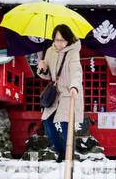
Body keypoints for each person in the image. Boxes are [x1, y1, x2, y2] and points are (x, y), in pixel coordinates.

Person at [36, 23, 84, 162]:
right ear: (53, 39)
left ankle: (69, 156)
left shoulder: (73, 52)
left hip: (69, 93)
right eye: (57, 40)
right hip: (55, 93)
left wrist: (75, 86)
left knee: (64, 124)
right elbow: (48, 75)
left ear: (68, 40)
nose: (60, 43)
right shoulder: (50, 51)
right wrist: (43, 68)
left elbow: (76, 71)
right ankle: (62, 152)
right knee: (47, 122)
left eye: (63, 40)